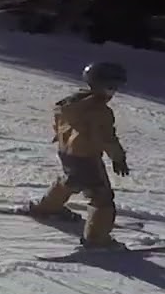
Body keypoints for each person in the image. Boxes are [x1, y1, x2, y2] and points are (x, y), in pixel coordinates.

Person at [25, 61, 131, 249]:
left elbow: (59, 124)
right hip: (86, 156)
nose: (114, 91)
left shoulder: (70, 102)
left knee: (71, 180)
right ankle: (97, 240)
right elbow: (107, 138)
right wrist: (118, 158)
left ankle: (48, 207)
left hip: (67, 152)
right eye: (111, 86)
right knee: (101, 197)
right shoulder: (99, 111)